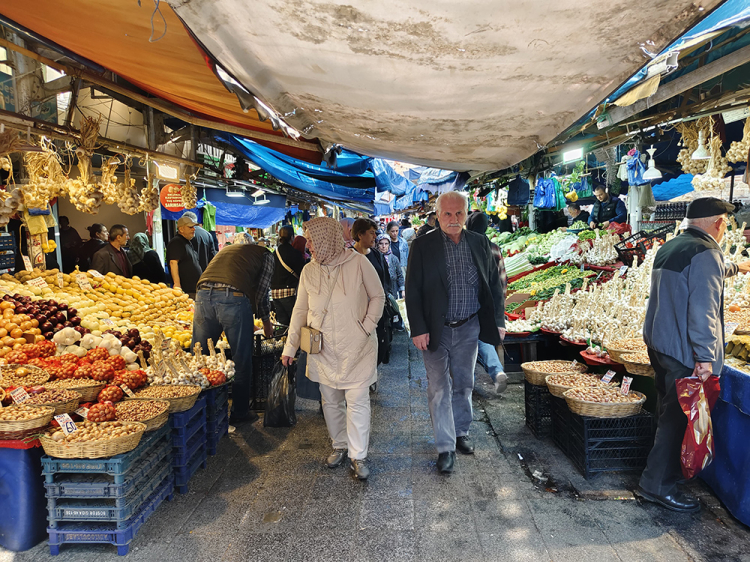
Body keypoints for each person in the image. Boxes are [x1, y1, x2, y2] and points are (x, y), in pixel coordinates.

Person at [639, 197, 750, 512]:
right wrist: (704, 357)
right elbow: (702, 312)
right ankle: (656, 486)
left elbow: (701, 275)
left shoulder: (672, 246)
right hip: (684, 353)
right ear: (717, 222)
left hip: (660, 345)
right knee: (678, 421)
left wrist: (736, 267)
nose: (726, 227)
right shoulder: (707, 254)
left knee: (668, 414)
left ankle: (661, 478)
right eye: (725, 222)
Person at [405, 191, 505, 474]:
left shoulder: (480, 242)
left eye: (459, 213)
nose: (453, 219)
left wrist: (498, 321)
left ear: (466, 214)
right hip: (436, 329)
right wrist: (418, 328)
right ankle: (445, 447)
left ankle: (461, 431)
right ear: (437, 216)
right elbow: (412, 290)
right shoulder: (422, 246)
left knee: (464, 383)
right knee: (439, 388)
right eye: (447, 214)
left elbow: (494, 287)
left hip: (469, 326)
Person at [281, 217, 385, 481]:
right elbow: (300, 310)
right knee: (330, 401)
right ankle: (339, 444)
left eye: (313, 241)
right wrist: (290, 346)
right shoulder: (309, 270)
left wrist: (365, 327)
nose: (309, 247)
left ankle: (358, 455)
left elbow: (378, 297)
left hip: (357, 347)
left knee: (358, 401)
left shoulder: (358, 263)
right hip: (323, 349)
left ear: (327, 239)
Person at [193, 242, 274, 425]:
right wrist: (267, 323)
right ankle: (240, 412)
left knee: (200, 356)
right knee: (241, 358)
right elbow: (262, 293)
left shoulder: (231, 250)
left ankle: (198, 412)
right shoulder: (267, 256)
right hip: (233, 299)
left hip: (203, 295)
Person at [466, 211, 508, 394]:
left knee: (468, 341)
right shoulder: (494, 248)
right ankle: (497, 371)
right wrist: (500, 310)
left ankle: (469, 382)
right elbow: (502, 280)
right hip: (490, 303)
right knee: (483, 339)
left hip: (470, 303)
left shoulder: (465, 246)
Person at [353, 218, 391, 366]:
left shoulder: (376, 254)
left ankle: (372, 373)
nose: (375, 236)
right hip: (358, 311)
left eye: (374, 233)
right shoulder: (350, 256)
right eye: (371, 233)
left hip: (378, 308)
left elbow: (385, 278)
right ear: (360, 234)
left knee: (379, 343)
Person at [271, 225, 305, 326]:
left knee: (282, 323)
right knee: (295, 323)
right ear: (292, 237)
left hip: (274, 293)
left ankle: (282, 341)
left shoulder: (273, 253)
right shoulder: (295, 254)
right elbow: (302, 273)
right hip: (289, 292)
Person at [166, 214, 203, 298]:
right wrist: (177, 284)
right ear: (181, 229)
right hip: (186, 291)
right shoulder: (176, 242)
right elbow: (173, 263)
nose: (194, 229)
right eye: (190, 227)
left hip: (194, 290)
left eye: (194, 227)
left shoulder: (187, 242)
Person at [377, 235, 403, 299]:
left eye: (386, 244)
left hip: (393, 290)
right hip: (379, 292)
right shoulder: (375, 258)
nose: (384, 246)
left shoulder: (394, 258)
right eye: (381, 244)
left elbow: (400, 275)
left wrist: (402, 289)